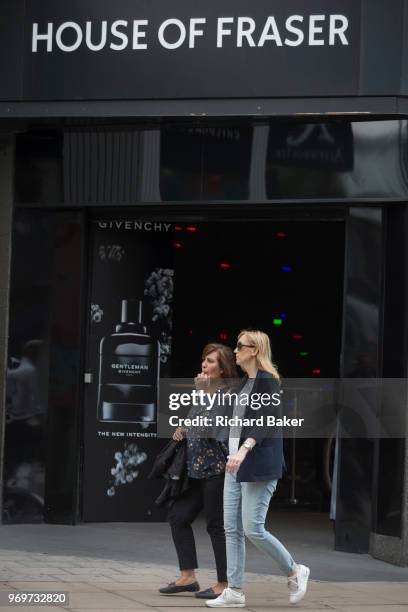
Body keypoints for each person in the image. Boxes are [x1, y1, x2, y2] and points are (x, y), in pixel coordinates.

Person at [206, 330, 310, 608]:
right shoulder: (243, 384)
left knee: (252, 528)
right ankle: (235, 591)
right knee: (232, 529)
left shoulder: (268, 382)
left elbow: (266, 421)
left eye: (240, 346)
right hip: (233, 465)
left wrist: (243, 449)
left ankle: (294, 570)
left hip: (256, 464)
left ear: (254, 350)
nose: (235, 351)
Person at [159, 343, 238, 600]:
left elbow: (214, 429)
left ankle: (224, 583)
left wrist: (203, 394)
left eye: (212, 361)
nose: (205, 364)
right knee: (178, 516)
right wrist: (182, 429)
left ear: (224, 368)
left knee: (216, 526)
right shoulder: (202, 393)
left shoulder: (228, 396)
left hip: (216, 470)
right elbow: (195, 422)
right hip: (194, 470)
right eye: (204, 360)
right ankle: (188, 576)